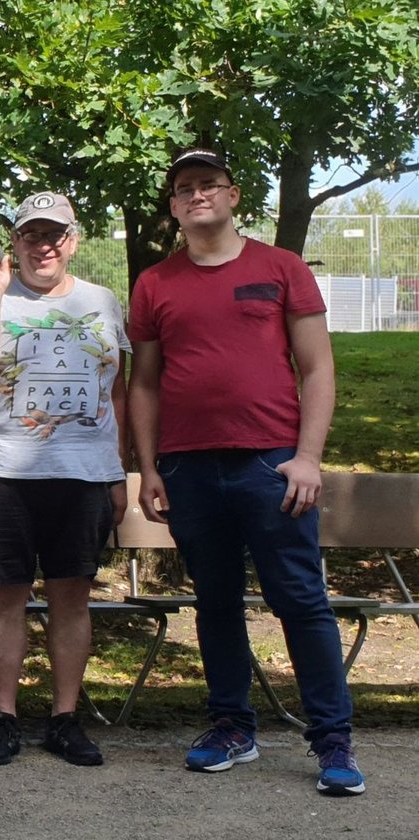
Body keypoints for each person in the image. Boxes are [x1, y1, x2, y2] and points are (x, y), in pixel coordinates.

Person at [128, 147, 363, 795]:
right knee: (217, 603)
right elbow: (142, 384)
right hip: (190, 470)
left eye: (208, 184)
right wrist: (148, 468)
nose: (196, 195)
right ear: (174, 208)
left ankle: (332, 740)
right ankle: (232, 727)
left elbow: (318, 368)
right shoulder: (155, 283)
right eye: (184, 189)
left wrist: (308, 458)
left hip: (274, 466)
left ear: (233, 195)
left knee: (301, 601)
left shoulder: (282, 268)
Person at [0, 192, 128, 768]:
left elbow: (117, 391)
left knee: (71, 596)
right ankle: (4, 718)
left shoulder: (103, 301)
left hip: (83, 472)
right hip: (1, 468)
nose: (43, 245)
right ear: (16, 242)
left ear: (74, 240)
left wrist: (119, 467)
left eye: (55, 234)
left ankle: (64, 718)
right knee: (7, 595)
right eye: (31, 235)